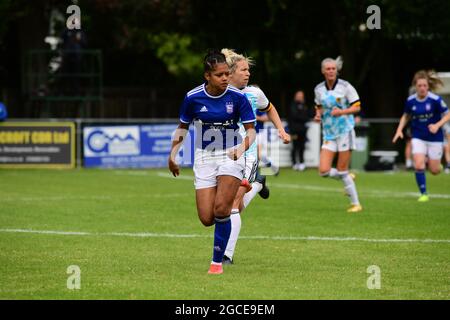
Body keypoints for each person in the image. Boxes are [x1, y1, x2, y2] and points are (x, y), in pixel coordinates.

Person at [168, 50, 256, 275]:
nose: (225, 78)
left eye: (227, 73)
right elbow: (182, 127)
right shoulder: (193, 97)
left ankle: (217, 263)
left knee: (221, 209)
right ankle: (246, 185)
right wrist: (173, 155)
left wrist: (241, 148)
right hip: (204, 157)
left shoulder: (238, 97)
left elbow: (251, 132)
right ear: (207, 75)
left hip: (231, 154)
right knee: (207, 218)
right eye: (220, 75)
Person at [220, 48, 290, 264]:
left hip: (248, 155)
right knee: (228, 207)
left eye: (248, 70)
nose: (247, 73)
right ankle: (259, 184)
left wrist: (281, 129)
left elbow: (270, 108)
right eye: (243, 70)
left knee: (232, 205)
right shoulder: (219, 93)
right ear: (230, 73)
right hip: (225, 154)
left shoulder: (254, 93)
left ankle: (226, 255)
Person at [314, 56, 363, 213]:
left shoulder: (345, 86)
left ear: (337, 70)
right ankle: (348, 177)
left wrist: (342, 111)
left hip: (345, 131)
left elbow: (357, 107)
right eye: (328, 69)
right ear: (323, 71)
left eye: (333, 68)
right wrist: (318, 115)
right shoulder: (318, 89)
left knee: (342, 170)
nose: (331, 71)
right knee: (323, 171)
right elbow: (319, 107)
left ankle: (356, 204)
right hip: (329, 133)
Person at [392, 70, 450, 201]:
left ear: (428, 86)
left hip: (435, 138)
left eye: (424, 85)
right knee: (418, 165)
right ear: (415, 87)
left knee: (434, 170)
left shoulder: (435, 100)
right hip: (418, 136)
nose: (422, 88)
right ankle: (424, 193)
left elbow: (448, 114)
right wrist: (399, 130)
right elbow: (406, 116)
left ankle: (437, 166)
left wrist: (437, 125)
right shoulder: (411, 101)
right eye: (419, 86)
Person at [288, 90, 312, 171]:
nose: (300, 97)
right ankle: (294, 163)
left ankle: (301, 163)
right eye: (298, 96)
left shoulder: (304, 105)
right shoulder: (293, 105)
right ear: (296, 96)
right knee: (295, 146)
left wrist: (302, 116)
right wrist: (303, 117)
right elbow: (294, 116)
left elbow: (308, 115)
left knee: (302, 147)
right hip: (294, 130)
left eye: (301, 96)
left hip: (303, 130)